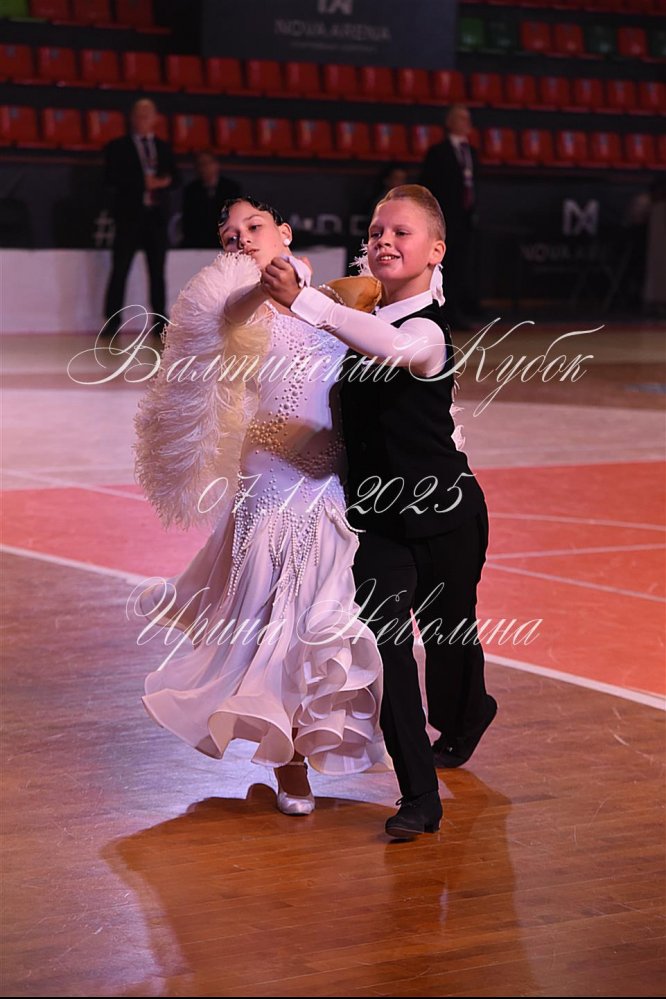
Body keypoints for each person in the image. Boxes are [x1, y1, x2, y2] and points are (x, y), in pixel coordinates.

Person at [132, 195, 392, 818]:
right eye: (230, 236)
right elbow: (229, 312)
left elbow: (376, 334)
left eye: (254, 227)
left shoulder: (333, 299)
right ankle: (289, 762)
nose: (243, 239)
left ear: (285, 231)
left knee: (323, 622)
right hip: (270, 483)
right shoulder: (236, 306)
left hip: (330, 485)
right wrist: (266, 289)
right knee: (276, 622)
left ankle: (334, 741)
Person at [263, 184, 496, 839]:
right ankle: (419, 796)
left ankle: (469, 712)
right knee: (386, 651)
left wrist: (308, 302)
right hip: (380, 526)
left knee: (449, 644)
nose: (384, 241)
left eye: (401, 232)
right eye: (375, 232)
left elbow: (391, 347)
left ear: (436, 250)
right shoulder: (356, 321)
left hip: (448, 513)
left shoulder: (426, 329)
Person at [103, 98, 179, 338]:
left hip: (155, 216)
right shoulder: (118, 147)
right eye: (139, 115)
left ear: (155, 119)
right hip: (129, 216)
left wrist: (161, 182)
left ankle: (159, 319)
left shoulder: (163, 147)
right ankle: (112, 320)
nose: (143, 120)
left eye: (148, 115)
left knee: (157, 270)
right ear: (132, 118)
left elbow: (176, 178)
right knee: (120, 268)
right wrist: (141, 183)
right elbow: (111, 177)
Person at [419, 104, 479, 330]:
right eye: (461, 118)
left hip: (465, 219)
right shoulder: (438, 152)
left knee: (459, 266)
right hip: (444, 220)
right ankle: (437, 313)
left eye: (468, 118)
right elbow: (429, 186)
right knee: (440, 266)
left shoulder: (472, 152)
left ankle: (455, 311)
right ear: (449, 122)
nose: (466, 123)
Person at [181, 149, 241, 248]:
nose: (204, 168)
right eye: (200, 164)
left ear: (216, 165)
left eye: (207, 163)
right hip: (198, 240)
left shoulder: (231, 188)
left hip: (223, 239)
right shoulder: (191, 190)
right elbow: (188, 221)